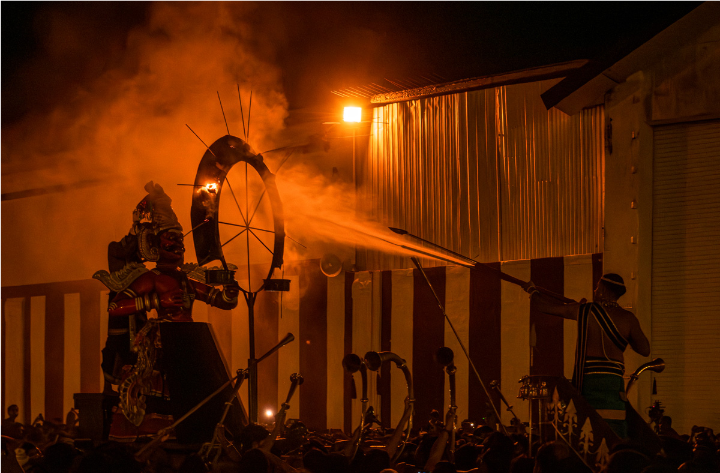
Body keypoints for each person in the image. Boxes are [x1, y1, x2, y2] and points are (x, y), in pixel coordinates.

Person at [93, 181, 240, 441]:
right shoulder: (150, 278)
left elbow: (223, 302)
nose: (179, 244)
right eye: (171, 238)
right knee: (162, 393)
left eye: (180, 239)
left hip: (191, 340)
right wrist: (154, 302)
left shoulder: (187, 279)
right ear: (154, 244)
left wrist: (230, 291)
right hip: (163, 342)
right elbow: (115, 307)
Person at [522, 273, 650, 438]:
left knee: (588, 430)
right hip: (613, 383)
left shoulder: (584, 311)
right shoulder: (628, 318)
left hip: (589, 382)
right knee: (615, 430)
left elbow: (543, 306)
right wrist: (623, 338)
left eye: (597, 287)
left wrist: (532, 291)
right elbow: (644, 349)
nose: (595, 290)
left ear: (603, 290)